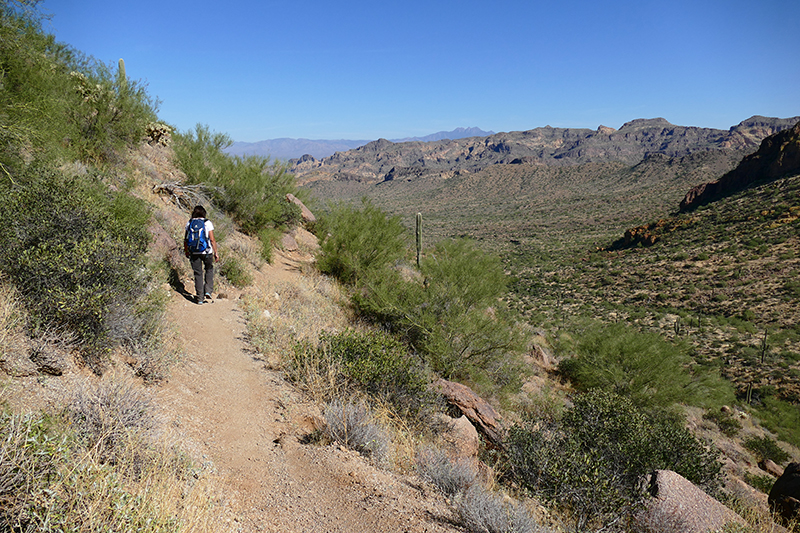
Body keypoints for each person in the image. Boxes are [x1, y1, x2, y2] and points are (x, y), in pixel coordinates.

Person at [183, 205, 219, 304]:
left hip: (194, 251)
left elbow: (186, 239)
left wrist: (186, 251)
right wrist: (216, 252)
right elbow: (212, 239)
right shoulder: (207, 222)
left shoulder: (190, 222)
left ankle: (199, 298)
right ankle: (208, 290)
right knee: (209, 269)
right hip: (207, 251)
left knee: (198, 274)